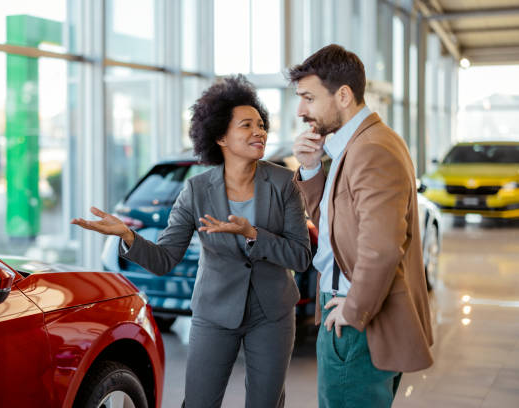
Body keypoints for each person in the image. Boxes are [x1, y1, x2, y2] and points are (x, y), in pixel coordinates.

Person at [72, 75, 311, 408]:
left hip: (271, 313)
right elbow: (165, 258)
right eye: (246, 125)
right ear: (220, 137)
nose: (259, 132)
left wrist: (252, 234)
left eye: (260, 124)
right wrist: (128, 236)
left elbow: (300, 256)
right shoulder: (196, 190)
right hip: (214, 311)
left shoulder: (283, 183)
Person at [289, 44, 434, 407]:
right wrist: (309, 167)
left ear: (342, 95)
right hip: (353, 312)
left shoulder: (370, 149)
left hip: (357, 321)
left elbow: (382, 248)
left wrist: (353, 310)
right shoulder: (356, 144)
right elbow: (338, 233)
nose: (300, 110)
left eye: (308, 97)